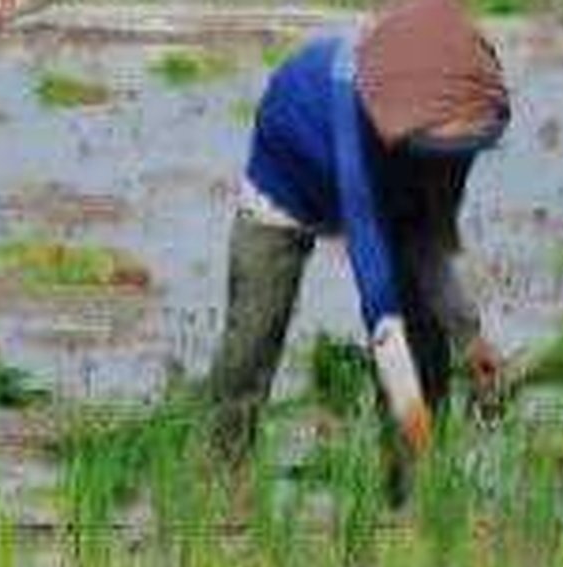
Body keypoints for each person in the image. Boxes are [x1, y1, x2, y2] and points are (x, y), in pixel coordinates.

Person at [203, 0, 509, 502]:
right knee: (252, 339)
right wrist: (413, 419)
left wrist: (469, 336)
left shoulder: (459, 125)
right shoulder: (353, 114)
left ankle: (409, 489)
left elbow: (430, 243)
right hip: (287, 185)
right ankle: (221, 478)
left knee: (427, 337)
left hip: (396, 183)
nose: (457, 160)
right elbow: (379, 304)